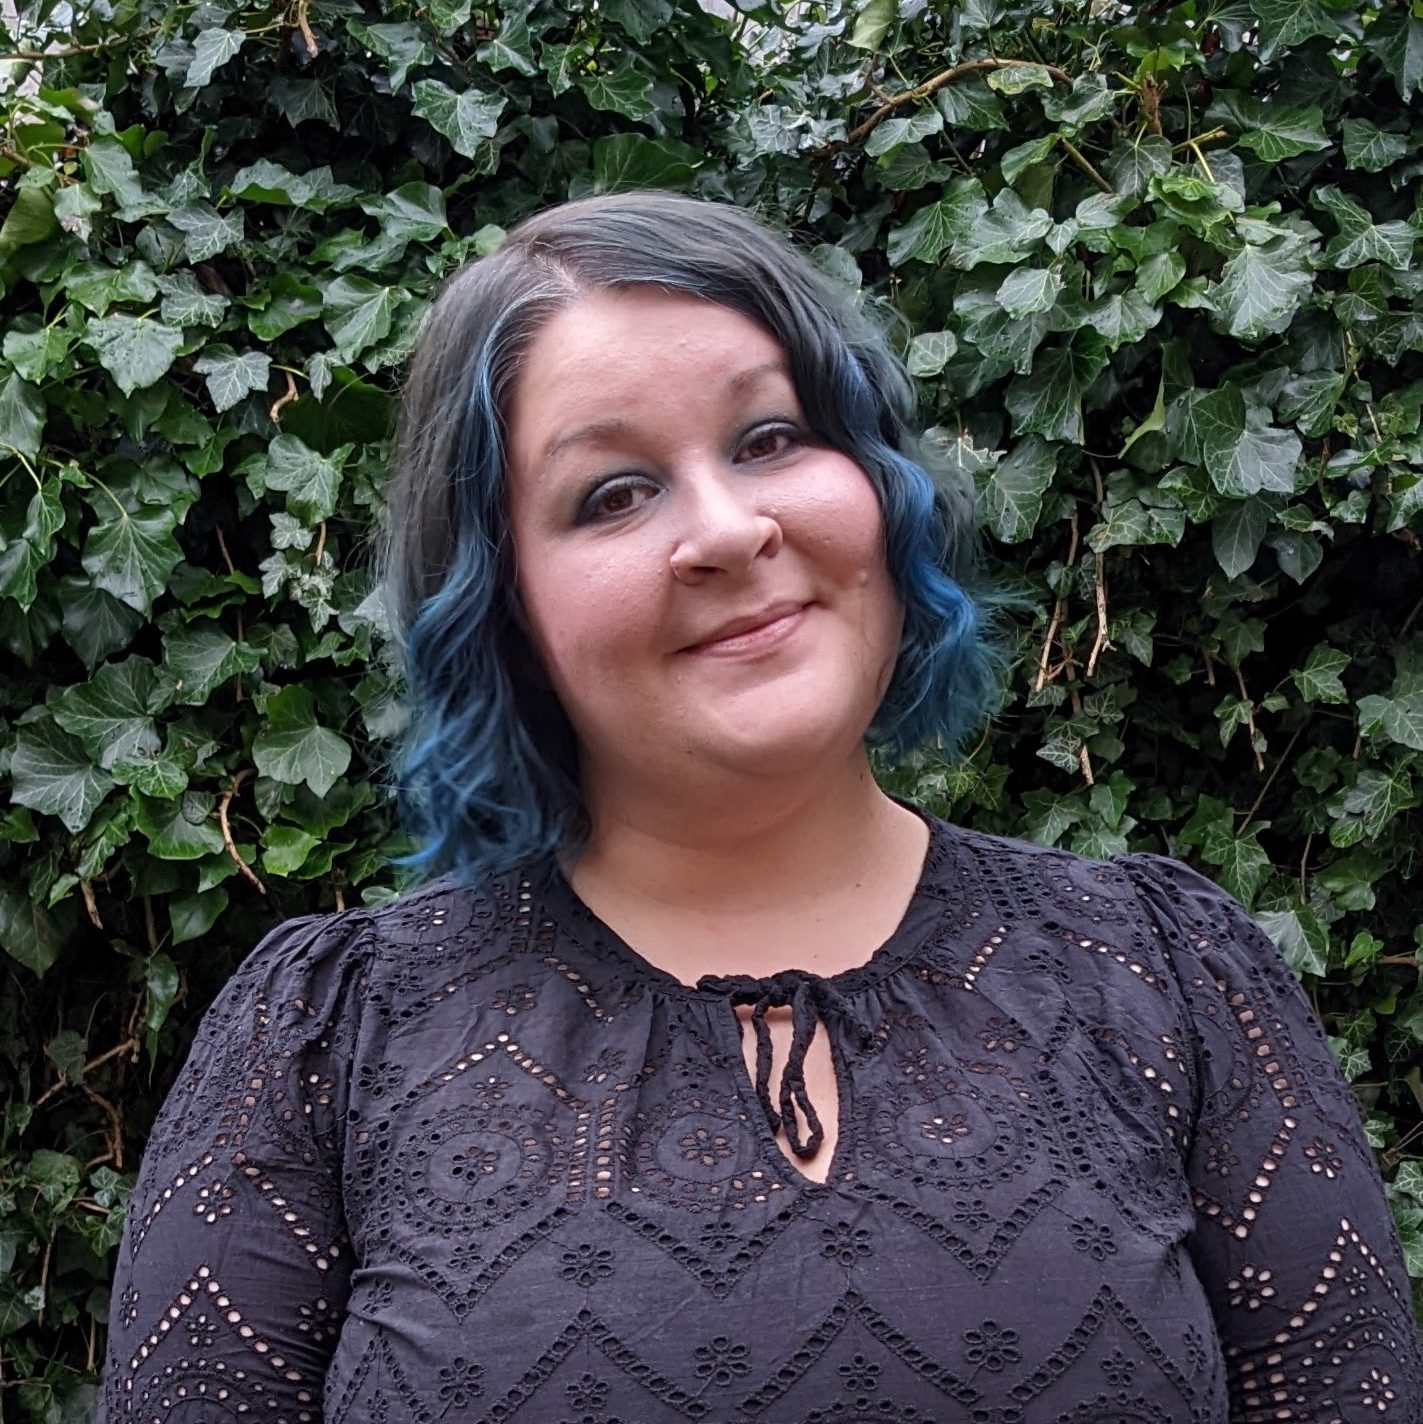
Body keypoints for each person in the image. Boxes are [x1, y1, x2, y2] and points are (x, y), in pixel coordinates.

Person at [99, 190, 1422, 1423]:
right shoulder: (327, 1039)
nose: (729, 529)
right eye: (613, 493)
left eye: (771, 438)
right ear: (502, 608)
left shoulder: (1169, 975)